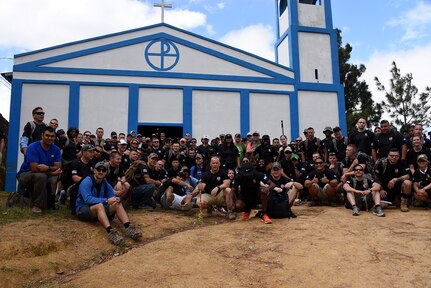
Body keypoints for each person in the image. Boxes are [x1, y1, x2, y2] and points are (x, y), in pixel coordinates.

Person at [75, 161, 142, 245]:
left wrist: (116, 199)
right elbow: (87, 199)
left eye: (103, 170)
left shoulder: (104, 183)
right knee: (99, 205)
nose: (101, 172)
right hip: (83, 210)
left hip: (98, 210)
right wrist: (106, 201)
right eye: (99, 169)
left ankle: (128, 227)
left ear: (106, 172)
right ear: (94, 170)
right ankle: (111, 232)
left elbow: (112, 195)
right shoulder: (87, 181)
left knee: (117, 203)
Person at [17, 126, 62, 214]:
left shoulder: (56, 149)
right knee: (41, 176)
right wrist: (51, 172)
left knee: (50, 177)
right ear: (42, 135)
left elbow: (58, 166)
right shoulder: (33, 147)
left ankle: (50, 201)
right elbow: (34, 168)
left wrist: (48, 168)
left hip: (44, 173)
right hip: (26, 173)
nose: (50, 138)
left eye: (52, 136)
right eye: (47, 135)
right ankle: (37, 206)